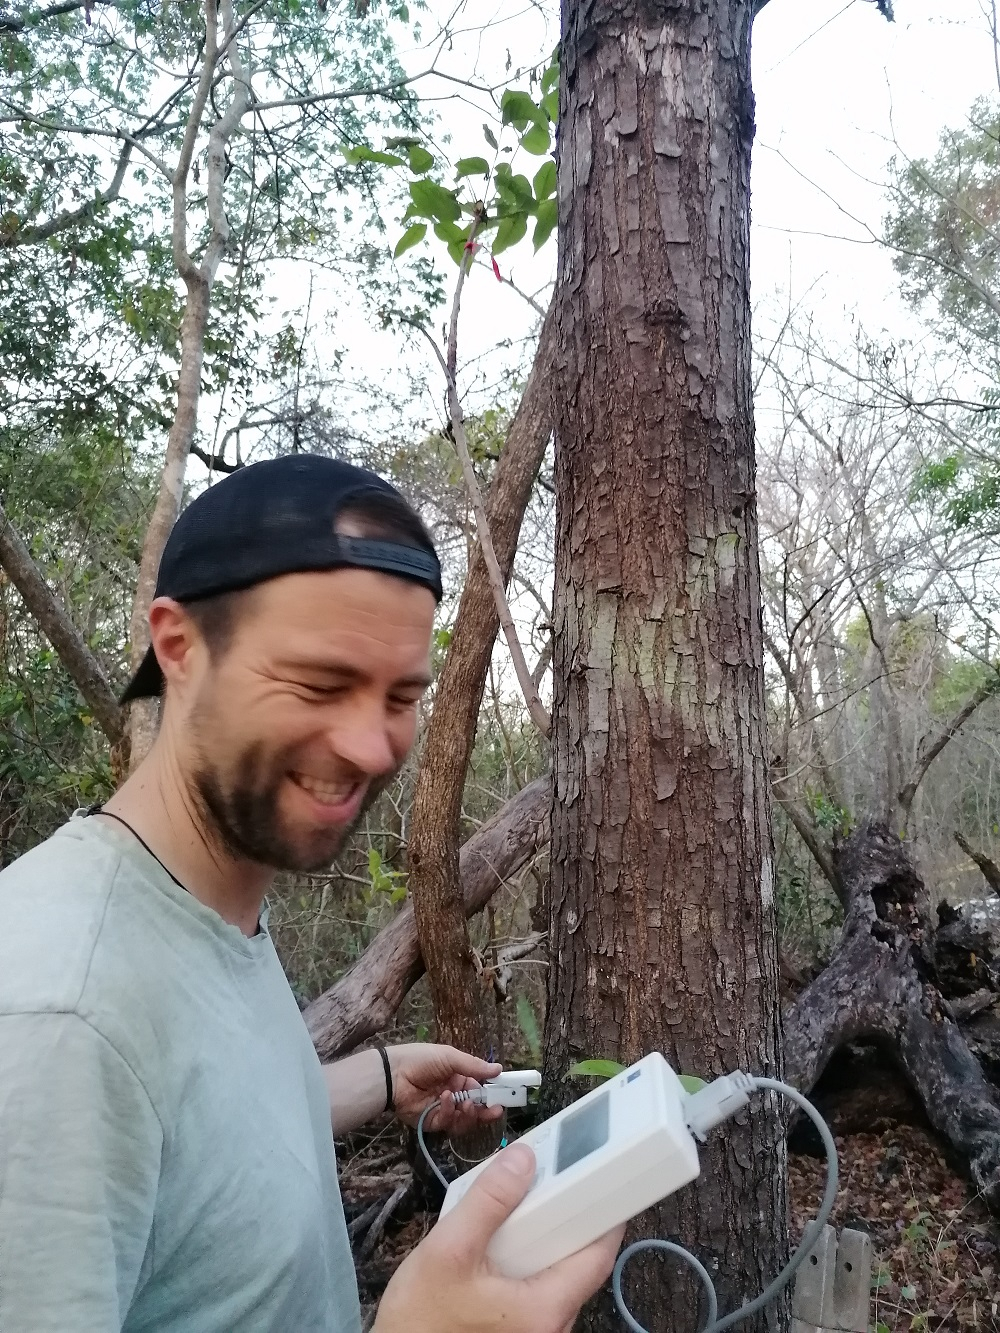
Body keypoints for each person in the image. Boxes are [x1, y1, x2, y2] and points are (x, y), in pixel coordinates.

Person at [0, 454, 622, 1333]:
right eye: (320, 684)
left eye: (402, 695)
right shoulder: (61, 1015)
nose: (372, 747)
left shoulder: (206, 900)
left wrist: (372, 1077)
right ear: (178, 647)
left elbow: (186, 1122)